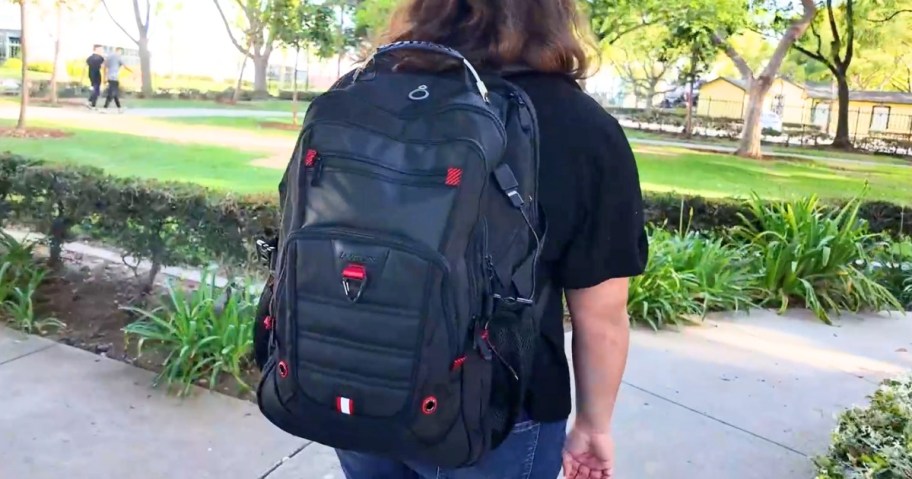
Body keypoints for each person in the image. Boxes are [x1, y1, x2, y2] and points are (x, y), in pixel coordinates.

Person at [332, 1, 649, 478]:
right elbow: (601, 317)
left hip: (350, 384)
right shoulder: (580, 127)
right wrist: (593, 424)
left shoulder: (361, 95)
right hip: (492, 413)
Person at [102, 47, 131, 112]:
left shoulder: (109, 57)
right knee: (112, 93)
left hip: (109, 77)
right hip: (114, 78)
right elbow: (125, 66)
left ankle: (119, 108)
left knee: (115, 93)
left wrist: (104, 78)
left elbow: (104, 68)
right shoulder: (118, 57)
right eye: (121, 52)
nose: (121, 53)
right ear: (119, 51)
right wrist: (133, 71)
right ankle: (105, 108)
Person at [85, 45, 104, 109]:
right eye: (100, 49)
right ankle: (91, 103)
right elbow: (103, 67)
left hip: (90, 74)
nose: (101, 51)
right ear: (96, 49)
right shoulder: (100, 58)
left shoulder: (89, 58)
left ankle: (91, 103)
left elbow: (85, 67)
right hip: (96, 74)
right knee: (96, 90)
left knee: (95, 88)